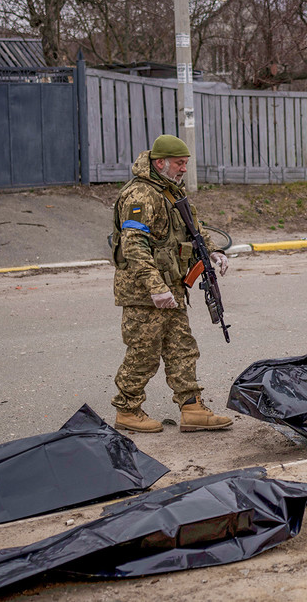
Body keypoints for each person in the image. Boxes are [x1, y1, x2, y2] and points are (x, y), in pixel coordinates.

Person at [109, 134, 231, 433]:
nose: (183, 169)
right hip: (144, 291)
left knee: (182, 347)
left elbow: (194, 228)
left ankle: (192, 408)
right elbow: (133, 245)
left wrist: (213, 250)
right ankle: (127, 409)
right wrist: (155, 287)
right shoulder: (140, 195)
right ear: (160, 162)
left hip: (172, 285)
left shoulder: (171, 191)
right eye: (179, 163)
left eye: (186, 163)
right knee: (144, 351)